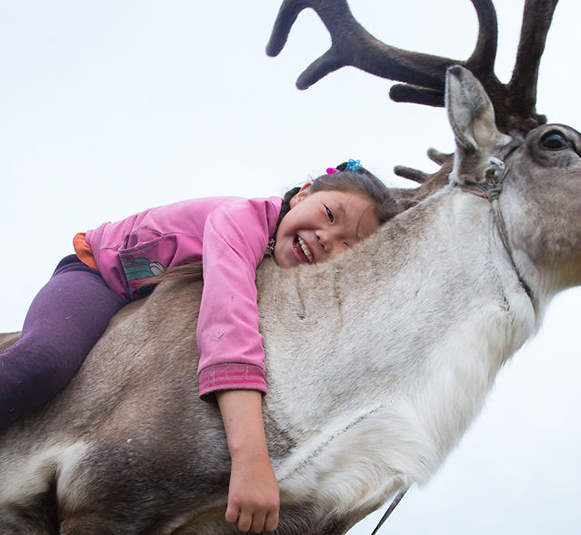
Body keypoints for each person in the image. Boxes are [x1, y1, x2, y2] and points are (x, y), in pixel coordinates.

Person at [0, 160, 399, 533]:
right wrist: (250, 459)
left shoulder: (285, 280)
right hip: (101, 278)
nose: (326, 238)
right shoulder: (239, 220)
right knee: (45, 361)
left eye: (350, 245)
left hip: (152, 314)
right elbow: (227, 322)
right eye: (329, 215)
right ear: (303, 193)